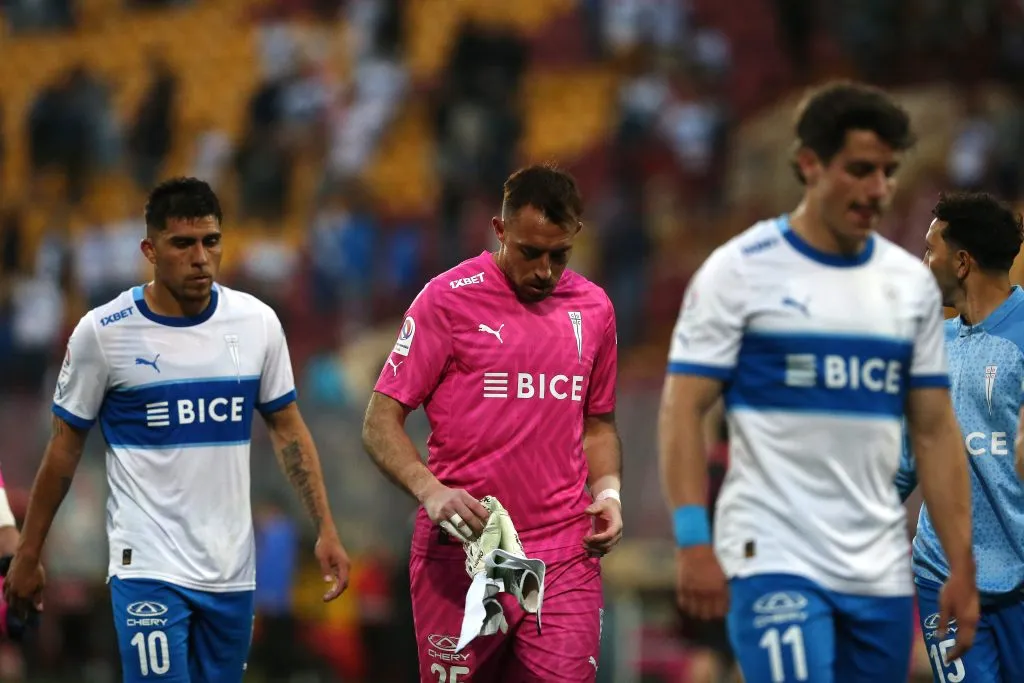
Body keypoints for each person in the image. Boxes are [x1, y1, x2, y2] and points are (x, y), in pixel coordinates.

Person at [657, 81, 980, 683]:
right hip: (772, 554)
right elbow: (681, 409)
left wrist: (960, 564)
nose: (878, 189)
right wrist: (692, 537)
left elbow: (936, 433)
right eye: (859, 170)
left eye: (886, 171)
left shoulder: (909, 288)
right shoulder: (738, 272)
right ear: (809, 165)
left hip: (877, 567)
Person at [3, 177, 351, 682]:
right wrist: (29, 553)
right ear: (150, 249)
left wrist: (326, 527)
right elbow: (63, 450)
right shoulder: (104, 334)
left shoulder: (256, 324)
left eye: (211, 241)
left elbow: (288, 430)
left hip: (231, 569)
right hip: (147, 566)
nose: (201, 257)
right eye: (183, 243)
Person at [362, 164, 622, 682]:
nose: (545, 270)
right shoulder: (447, 300)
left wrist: (610, 494)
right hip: (463, 553)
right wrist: (430, 491)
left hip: (564, 554)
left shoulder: (595, 309)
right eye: (530, 252)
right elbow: (379, 421)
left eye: (559, 254)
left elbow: (598, 423)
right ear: (500, 231)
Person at [897, 191, 1024, 682]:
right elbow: (909, 458)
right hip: (943, 574)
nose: (923, 262)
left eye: (931, 250)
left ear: (963, 262)